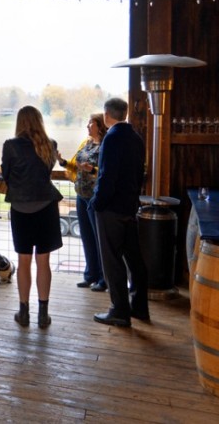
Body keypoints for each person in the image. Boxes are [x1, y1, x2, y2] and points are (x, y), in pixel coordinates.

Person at [1, 106, 63, 327]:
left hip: (20, 208)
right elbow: (45, 173)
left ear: (20, 122)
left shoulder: (10, 146)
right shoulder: (50, 145)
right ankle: (43, 314)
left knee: (24, 261)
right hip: (46, 207)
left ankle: (24, 312)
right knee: (43, 261)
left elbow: (6, 175)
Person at [90, 97, 149, 328]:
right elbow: (138, 174)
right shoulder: (136, 137)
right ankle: (139, 306)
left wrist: (96, 202)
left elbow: (107, 176)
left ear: (106, 115)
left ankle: (119, 311)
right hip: (129, 206)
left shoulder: (112, 138)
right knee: (134, 259)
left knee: (112, 260)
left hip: (111, 208)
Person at [58, 113, 108, 292]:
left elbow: (104, 171)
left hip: (95, 198)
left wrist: (91, 169)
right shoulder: (86, 144)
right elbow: (75, 165)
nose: (87, 126)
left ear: (99, 125)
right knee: (86, 237)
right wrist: (63, 162)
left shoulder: (105, 145)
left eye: (91, 123)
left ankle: (104, 279)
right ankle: (90, 275)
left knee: (99, 239)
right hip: (81, 195)